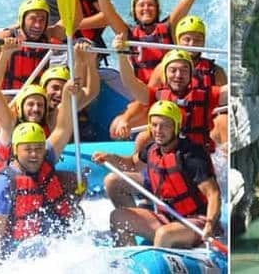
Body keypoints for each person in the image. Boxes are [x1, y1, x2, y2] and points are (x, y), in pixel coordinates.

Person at [91, 100, 221, 248]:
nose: (158, 130)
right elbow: (132, 164)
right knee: (118, 217)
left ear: (176, 127)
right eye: (154, 125)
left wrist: (210, 224)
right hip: (166, 218)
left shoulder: (192, 156)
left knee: (163, 235)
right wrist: (109, 157)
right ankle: (131, 265)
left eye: (165, 125)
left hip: (196, 221)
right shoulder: (152, 149)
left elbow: (213, 194)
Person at [0, 82, 77, 262]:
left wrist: (66, 95)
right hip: (14, 248)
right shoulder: (3, 184)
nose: (34, 154)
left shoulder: (45, 156)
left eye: (38, 148)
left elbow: (62, 129)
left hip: (42, 234)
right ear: (16, 151)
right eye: (28, 149)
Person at [0, 39, 91, 192]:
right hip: (10, 189)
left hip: (37, 188)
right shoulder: (9, 126)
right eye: (30, 104)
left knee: (74, 180)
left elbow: (65, 123)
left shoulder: (48, 131)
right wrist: (5, 54)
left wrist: (79, 62)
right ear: (21, 107)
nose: (36, 109)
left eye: (40, 105)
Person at [93, 0, 208, 84]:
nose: (146, 8)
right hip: (143, 91)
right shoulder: (128, 33)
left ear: (158, 10)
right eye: (141, 5)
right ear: (134, 12)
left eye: (150, 5)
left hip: (168, 88)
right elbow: (108, 12)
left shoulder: (168, 27)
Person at [111, 15, 228, 144]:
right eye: (187, 39)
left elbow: (227, 98)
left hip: (202, 125)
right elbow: (132, 85)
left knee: (223, 122)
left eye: (184, 71)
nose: (178, 76)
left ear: (191, 74)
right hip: (168, 124)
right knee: (140, 138)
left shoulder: (208, 87)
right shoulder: (160, 85)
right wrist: (122, 55)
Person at [0, 0, 77, 131]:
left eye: (42, 20)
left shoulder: (49, 34)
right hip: (4, 97)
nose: (38, 25)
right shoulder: (6, 37)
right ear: (22, 19)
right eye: (33, 19)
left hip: (32, 100)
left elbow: (74, 20)